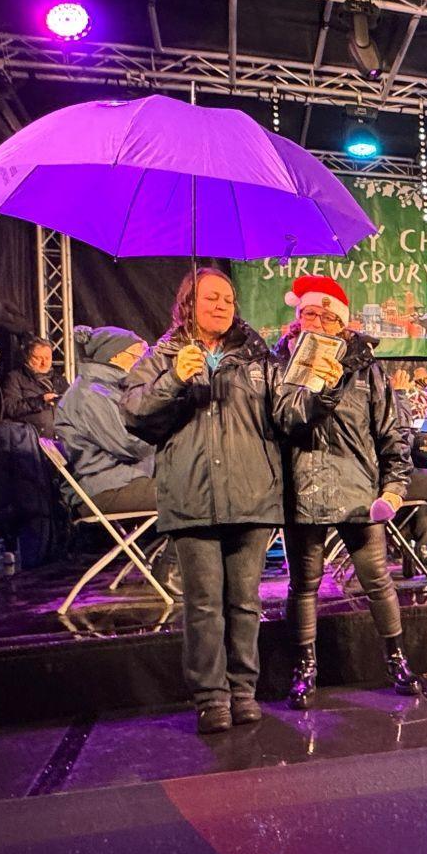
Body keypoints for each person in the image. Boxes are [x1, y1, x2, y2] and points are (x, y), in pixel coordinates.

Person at [121, 267, 292, 735]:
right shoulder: (163, 355)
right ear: (187, 304)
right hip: (192, 497)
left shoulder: (258, 358)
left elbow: (287, 413)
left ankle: (243, 691)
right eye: (211, 298)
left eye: (229, 299)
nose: (221, 306)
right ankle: (211, 696)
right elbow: (134, 414)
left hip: (251, 496)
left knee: (244, 603)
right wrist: (174, 379)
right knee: (203, 605)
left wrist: (321, 387)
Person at [272, 274, 422, 709]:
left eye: (323, 314)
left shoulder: (366, 368)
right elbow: (280, 422)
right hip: (303, 488)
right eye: (306, 313)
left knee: (376, 578)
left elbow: (391, 432)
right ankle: (305, 668)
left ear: (341, 321)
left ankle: (396, 658)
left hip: (358, 489)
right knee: (304, 583)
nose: (314, 321)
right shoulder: (281, 365)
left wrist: (394, 487)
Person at [54, 325, 155, 514]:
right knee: (192, 494)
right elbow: (131, 445)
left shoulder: (108, 389)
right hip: (103, 488)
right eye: (139, 356)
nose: (145, 362)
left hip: (121, 479)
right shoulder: (90, 395)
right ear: (116, 356)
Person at [0, 337, 65, 436]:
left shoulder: (59, 380)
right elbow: (10, 408)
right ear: (28, 357)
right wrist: (40, 401)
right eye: (39, 358)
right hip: (32, 440)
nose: (44, 363)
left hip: (60, 440)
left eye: (48, 358)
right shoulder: (15, 378)